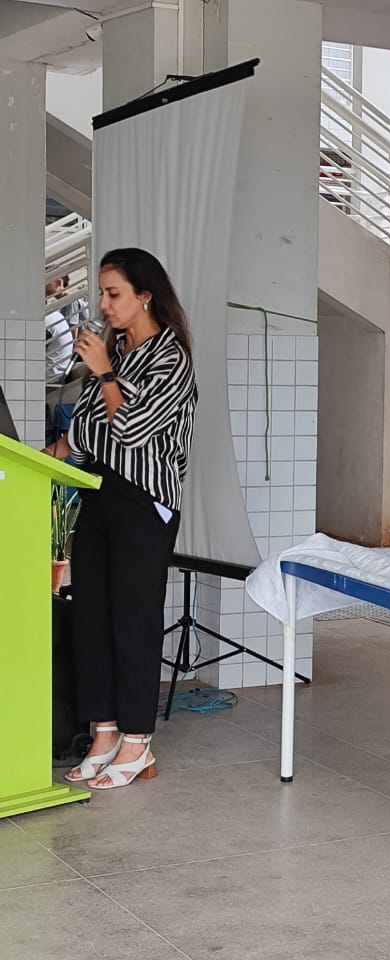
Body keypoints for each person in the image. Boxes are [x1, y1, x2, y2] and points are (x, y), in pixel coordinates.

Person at [43, 248, 197, 790]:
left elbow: (131, 430)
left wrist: (105, 372)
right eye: (103, 294)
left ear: (144, 296)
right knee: (91, 619)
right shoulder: (116, 354)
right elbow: (85, 435)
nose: (104, 305)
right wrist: (44, 455)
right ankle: (104, 733)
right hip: (99, 495)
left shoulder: (169, 357)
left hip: (144, 502)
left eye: (114, 294)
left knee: (132, 621)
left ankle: (137, 741)